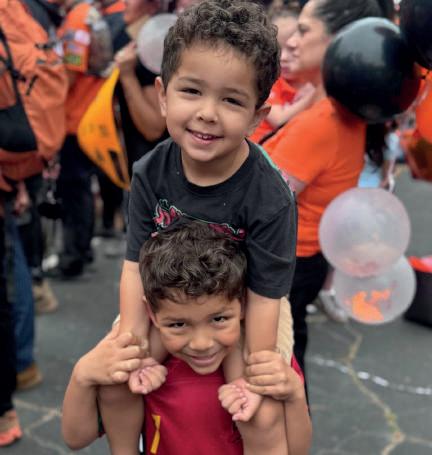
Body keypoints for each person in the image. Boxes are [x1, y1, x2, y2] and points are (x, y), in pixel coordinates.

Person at [102, 1, 297, 453]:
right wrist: (133, 339)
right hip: (170, 299)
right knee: (118, 376)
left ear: (257, 117)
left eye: (231, 100)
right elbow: (134, 266)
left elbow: (265, 295)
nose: (208, 113)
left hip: (243, 308)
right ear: (163, 94)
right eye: (191, 91)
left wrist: (255, 367)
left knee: (257, 407)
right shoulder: (150, 171)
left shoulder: (270, 196)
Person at [62, 221, 311, 454]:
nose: (201, 344)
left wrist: (295, 396)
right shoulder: (142, 367)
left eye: (219, 319)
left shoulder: (263, 367)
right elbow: (76, 438)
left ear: (243, 305)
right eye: (179, 324)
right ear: (151, 314)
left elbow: (297, 451)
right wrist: (81, 375)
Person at [263, 0, 386, 385]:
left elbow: (260, 202)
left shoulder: (325, 120)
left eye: (303, 30)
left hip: (283, 264)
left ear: (337, 43)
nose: (291, 41)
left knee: (274, 371)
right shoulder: (333, 109)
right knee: (287, 361)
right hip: (300, 261)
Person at [249, 4, 316, 144]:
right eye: (277, 51)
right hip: (259, 148)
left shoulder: (310, 81)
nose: (283, 58)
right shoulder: (269, 78)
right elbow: (278, 119)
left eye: (291, 49)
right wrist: (315, 94)